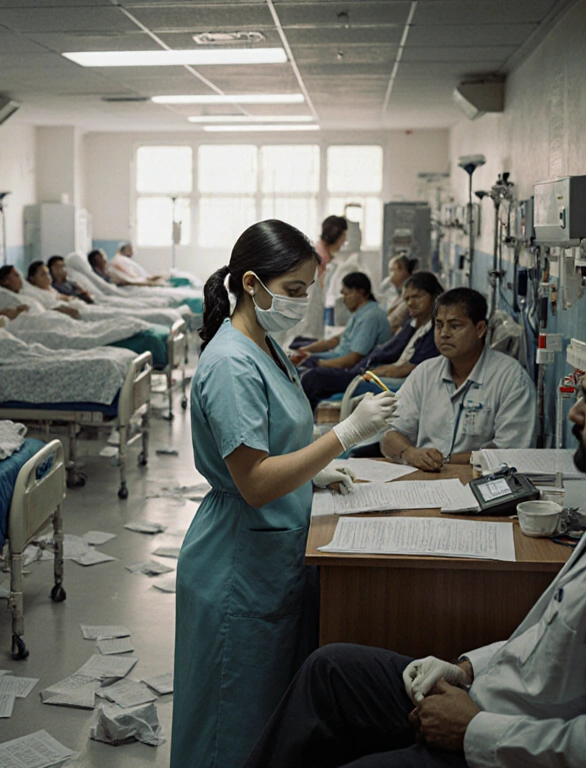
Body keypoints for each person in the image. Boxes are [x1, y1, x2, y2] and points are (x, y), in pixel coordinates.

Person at [242, 314, 586, 768]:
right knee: (330, 670)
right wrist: (465, 668)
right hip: (493, 700)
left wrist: (473, 729)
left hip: (506, 746)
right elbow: (549, 640)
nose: (574, 412)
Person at [173, 219, 400, 768]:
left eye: (308, 289)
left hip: (269, 554)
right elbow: (253, 482)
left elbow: (274, 445)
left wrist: (312, 472)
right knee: (230, 726)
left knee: (264, 721)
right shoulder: (231, 363)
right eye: (294, 290)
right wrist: (344, 436)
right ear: (251, 283)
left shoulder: (267, 347)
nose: (302, 301)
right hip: (236, 565)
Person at [380, 288, 535, 468]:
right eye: (439, 325)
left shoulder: (511, 380)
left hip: (481, 483)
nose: (444, 333)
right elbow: (390, 435)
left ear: (480, 329)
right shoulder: (424, 374)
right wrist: (410, 453)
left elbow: (509, 452)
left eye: (455, 326)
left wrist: (444, 460)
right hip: (425, 481)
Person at [299, 271, 443, 410]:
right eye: (407, 299)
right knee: (305, 371)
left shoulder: (433, 331)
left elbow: (412, 367)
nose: (411, 303)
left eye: (417, 297)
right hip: (368, 370)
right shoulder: (413, 324)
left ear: (434, 297)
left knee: (312, 378)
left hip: (383, 379)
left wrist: (381, 371)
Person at [290, 272, 391, 370]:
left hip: (349, 367)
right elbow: (335, 341)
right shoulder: (360, 313)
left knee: (302, 368)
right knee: (297, 347)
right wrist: (305, 351)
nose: (343, 300)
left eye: (346, 294)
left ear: (361, 292)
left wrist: (318, 363)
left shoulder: (370, 317)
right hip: (337, 356)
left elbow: (353, 359)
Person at [283, 215, 349, 347]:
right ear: (335, 235)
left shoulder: (324, 259)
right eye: (343, 237)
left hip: (310, 324)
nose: (345, 241)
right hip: (305, 326)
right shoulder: (316, 260)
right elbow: (311, 301)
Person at [0, 265, 80, 320]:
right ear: (4, 281)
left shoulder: (20, 294)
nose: (20, 279)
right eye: (16, 276)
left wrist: (56, 311)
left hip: (46, 318)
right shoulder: (1, 295)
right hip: (38, 323)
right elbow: (0, 318)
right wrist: (17, 311)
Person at [381, 255, 418, 334]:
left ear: (403, 271)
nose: (390, 276)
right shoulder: (399, 292)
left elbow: (397, 319)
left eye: (392, 270)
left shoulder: (411, 292)